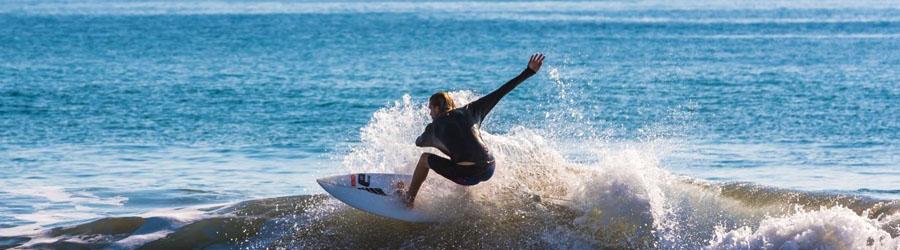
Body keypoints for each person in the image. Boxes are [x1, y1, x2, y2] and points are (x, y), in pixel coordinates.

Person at [402, 53, 544, 208]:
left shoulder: (433, 128)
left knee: (424, 159)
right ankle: (467, 200)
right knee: (463, 149)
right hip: (489, 167)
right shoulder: (472, 110)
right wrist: (529, 71)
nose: (429, 113)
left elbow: (419, 143)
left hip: (468, 174)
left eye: (430, 109)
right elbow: (501, 92)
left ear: (437, 108)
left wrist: (429, 137)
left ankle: (409, 199)